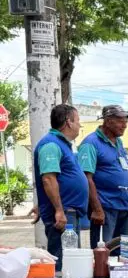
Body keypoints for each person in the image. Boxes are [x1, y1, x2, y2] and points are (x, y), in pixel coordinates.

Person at [33, 104, 89, 267]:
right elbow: (48, 179)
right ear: (69, 122)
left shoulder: (62, 145)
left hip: (68, 212)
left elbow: (57, 179)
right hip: (63, 214)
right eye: (78, 121)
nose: (79, 125)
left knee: (71, 261)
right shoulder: (51, 144)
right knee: (64, 263)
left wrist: (41, 203)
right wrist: (58, 209)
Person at [78, 105, 128, 249]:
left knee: (122, 253)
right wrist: (97, 209)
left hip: (124, 204)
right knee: (103, 252)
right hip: (105, 207)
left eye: (126, 122)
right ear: (108, 121)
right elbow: (86, 178)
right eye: (121, 121)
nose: (125, 126)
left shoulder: (118, 142)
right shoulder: (91, 143)